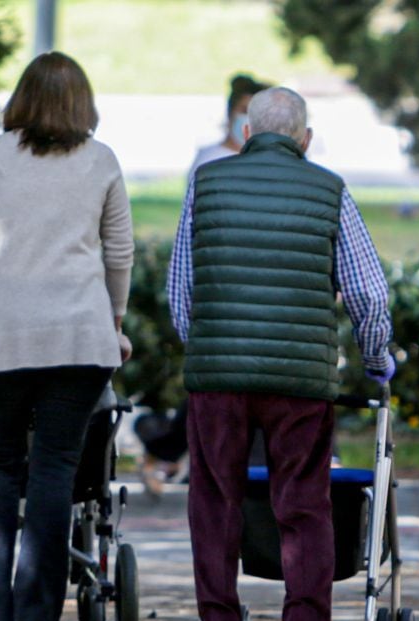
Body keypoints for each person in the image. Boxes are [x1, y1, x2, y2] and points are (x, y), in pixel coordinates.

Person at [167, 87, 395, 621]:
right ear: (305, 139)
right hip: (300, 381)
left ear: (246, 134)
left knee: (215, 500)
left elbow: (179, 291)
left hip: (218, 379)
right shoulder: (330, 189)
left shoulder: (207, 183)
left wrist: (211, 348)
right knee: (304, 504)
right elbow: (367, 292)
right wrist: (376, 360)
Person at [0, 51, 134, 621]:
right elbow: (119, 254)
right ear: (83, 104)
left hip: (1, 339)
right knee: (55, 473)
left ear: (22, 100)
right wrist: (115, 323)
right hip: (79, 341)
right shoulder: (102, 161)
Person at [136, 73, 272, 496]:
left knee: (225, 388)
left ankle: (162, 445)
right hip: (220, 292)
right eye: (242, 112)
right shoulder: (209, 161)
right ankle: (164, 447)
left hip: (257, 292)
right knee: (217, 389)